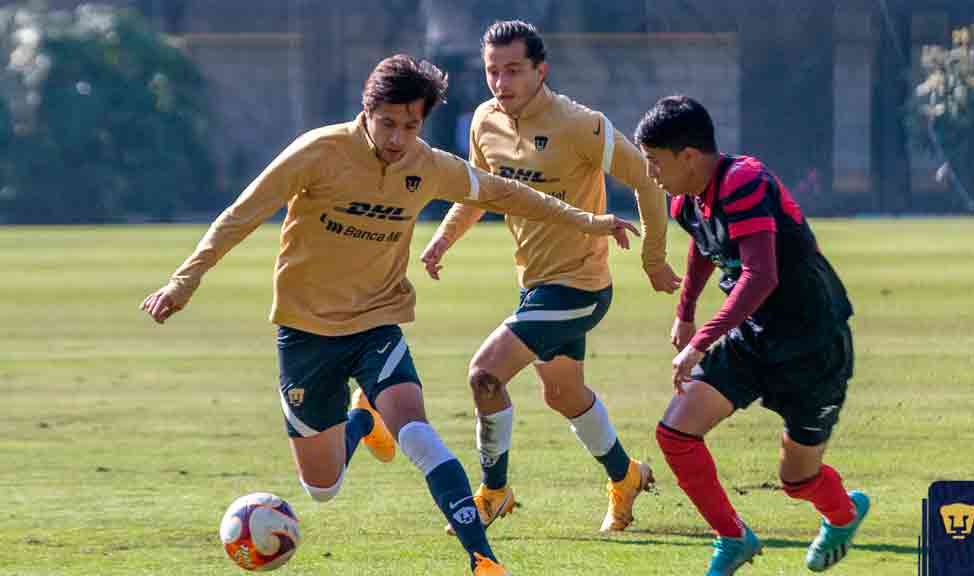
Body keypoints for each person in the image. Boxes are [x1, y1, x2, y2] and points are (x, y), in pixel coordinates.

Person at [139, 54, 638, 576]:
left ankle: (483, 558)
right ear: (367, 108)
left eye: (411, 125)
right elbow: (241, 214)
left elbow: (506, 193)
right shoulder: (320, 151)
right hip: (306, 334)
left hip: (377, 323)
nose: (399, 137)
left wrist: (587, 220)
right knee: (323, 488)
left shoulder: (427, 166)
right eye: (388, 123)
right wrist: (184, 279)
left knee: (418, 433)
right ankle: (362, 418)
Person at [420, 20, 680, 534]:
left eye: (513, 70)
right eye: (493, 71)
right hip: (535, 285)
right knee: (563, 394)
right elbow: (481, 192)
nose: (501, 82)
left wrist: (653, 260)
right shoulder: (483, 121)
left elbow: (650, 182)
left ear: (542, 71)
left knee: (485, 373)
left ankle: (494, 492)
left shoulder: (580, 124)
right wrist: (444, 239)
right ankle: (626, 476)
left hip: (581, 285)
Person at [634, 95, 870, 575]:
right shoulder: (686, 201)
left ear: (689, 157)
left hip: (812, 344)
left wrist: (699, 340)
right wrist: (685, 312)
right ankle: (733, 537)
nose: (650, 174)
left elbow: (761, 277)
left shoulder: (744, 182)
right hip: (753, 335)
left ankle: (843, 515)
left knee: (797, 480)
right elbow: (704, 245)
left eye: (655, 162)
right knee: (676, 433)